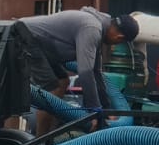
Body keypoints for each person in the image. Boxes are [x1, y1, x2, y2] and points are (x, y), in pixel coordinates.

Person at [17, 8, 139, 136]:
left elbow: (96, 72)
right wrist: (94, 111)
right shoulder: (92, 28)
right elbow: (85, 72)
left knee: (62, 81)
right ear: (119, 37)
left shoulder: (99, 27)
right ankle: (40, 142)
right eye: (118, 42)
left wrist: (105, 110)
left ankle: (49, 135)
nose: (114, 45)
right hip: (25, 36)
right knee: (50, 89)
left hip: (42, 46)